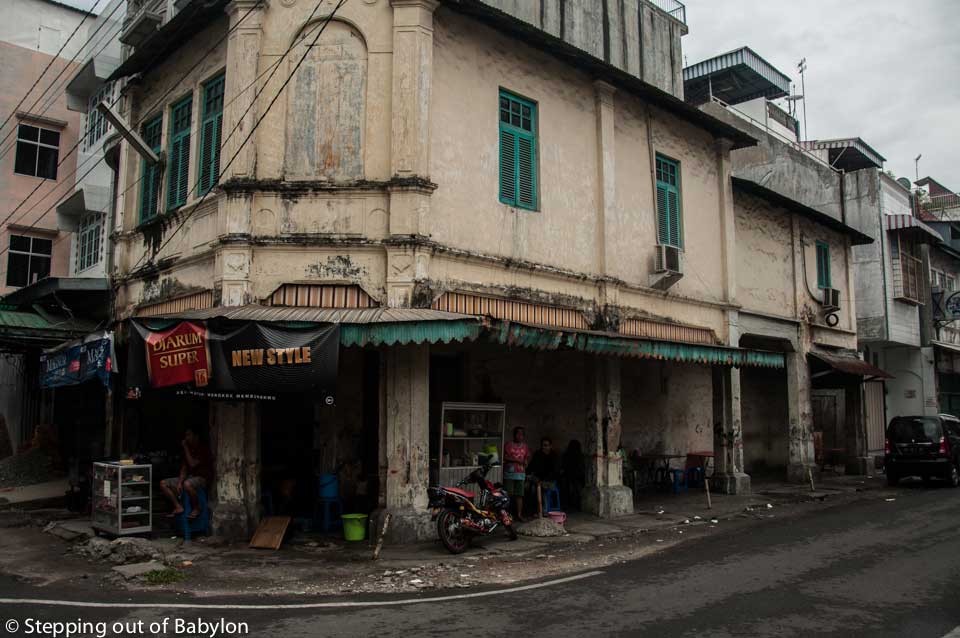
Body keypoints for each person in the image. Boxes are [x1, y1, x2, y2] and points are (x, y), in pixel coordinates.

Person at [159, 428, 214, 519]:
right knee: (163, 483)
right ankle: (178, 506)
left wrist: (185, 447)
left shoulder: (203, 448)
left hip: (202, 478)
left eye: (189, 435)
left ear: (196, 436)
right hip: (190, 477)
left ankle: (197, 508)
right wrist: (180, 482)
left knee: (187, 484)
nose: (186, 438)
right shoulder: (189, 449)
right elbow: (184, 468)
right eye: (186, 435)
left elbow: (192, 464)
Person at [527, 436, 561, 517]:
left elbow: (555, 472)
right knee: (532, 490)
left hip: (550, 481)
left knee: (543, 489)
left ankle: (544, 511)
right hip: (538, 479)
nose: (544, 447)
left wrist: (544, 481)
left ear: (550, 446)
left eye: (546, 445)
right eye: (543, 445)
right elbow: (531, 466)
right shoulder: (538, 454)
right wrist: (528, 474)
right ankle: (537, 510)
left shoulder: (554, 456)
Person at [503, 426, 530, 521]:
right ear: (514, 435)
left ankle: (519, 515)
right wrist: (517, 460)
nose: (520, 436)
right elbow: (505, 457)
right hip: (509, 473)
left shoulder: (525, 446)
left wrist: (525, 462)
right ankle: (506, 516)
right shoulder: (508, 444)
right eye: (518, 434)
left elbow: (526, 458)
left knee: (519, 495)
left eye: (522, 434)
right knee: (508, 495)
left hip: (520, 474)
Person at [560, 439, 585, 511]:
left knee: (573, 489)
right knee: (575, 490)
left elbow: (564, 468)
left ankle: (570, 505)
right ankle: (575, 505)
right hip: (573, 478)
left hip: (572, 478)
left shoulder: (567, 455)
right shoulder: (579, 456)